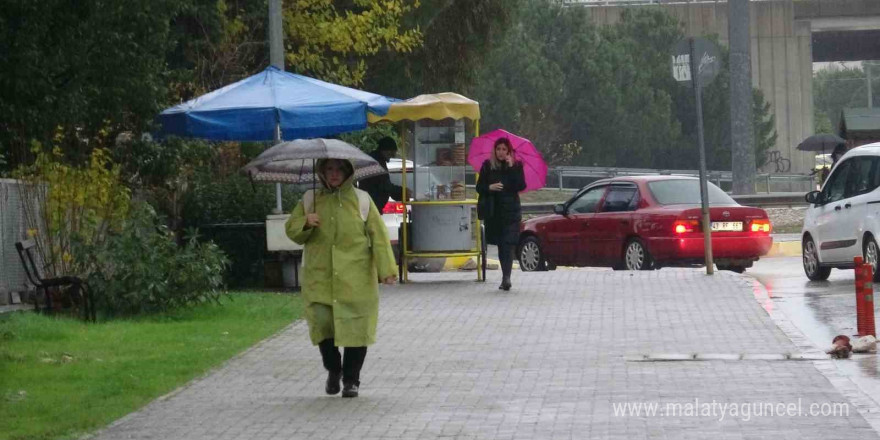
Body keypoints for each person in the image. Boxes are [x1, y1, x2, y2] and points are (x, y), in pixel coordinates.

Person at [286, 158, 398, 398]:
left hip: (356, 278)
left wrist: (387, 269)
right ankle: (333, 368)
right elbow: (292, 230)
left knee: (357, 328)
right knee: (322, 324)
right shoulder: (310, 199)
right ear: (321, 172)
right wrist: (306, 221)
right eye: (329, 169)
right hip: (320, 276)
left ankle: (351, 380)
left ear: (348, 173)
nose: (334, 174)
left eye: (339, 169)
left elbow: (378, 236)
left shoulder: (362, 200)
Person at [476, 137, 526, 291]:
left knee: (509, 244)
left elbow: (520, 185)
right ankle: (505, 276)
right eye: (499, 149)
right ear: (494, 150)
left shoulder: (516, 166)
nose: (501, 152)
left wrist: (511, 167)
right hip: (495, 212)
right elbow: (479, 187)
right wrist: (489, 187)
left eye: (504, 149)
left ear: (509, 151)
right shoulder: (488, 166)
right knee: (500, 245)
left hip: (511, 212)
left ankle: (507, 277)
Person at [359, 137, 407, 212]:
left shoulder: (376, 160)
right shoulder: (375, 163)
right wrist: (403, 192)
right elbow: (385, 185)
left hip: (371, 206)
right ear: (386, 151)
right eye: (392, 152)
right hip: (371, 207)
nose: (393, 156)